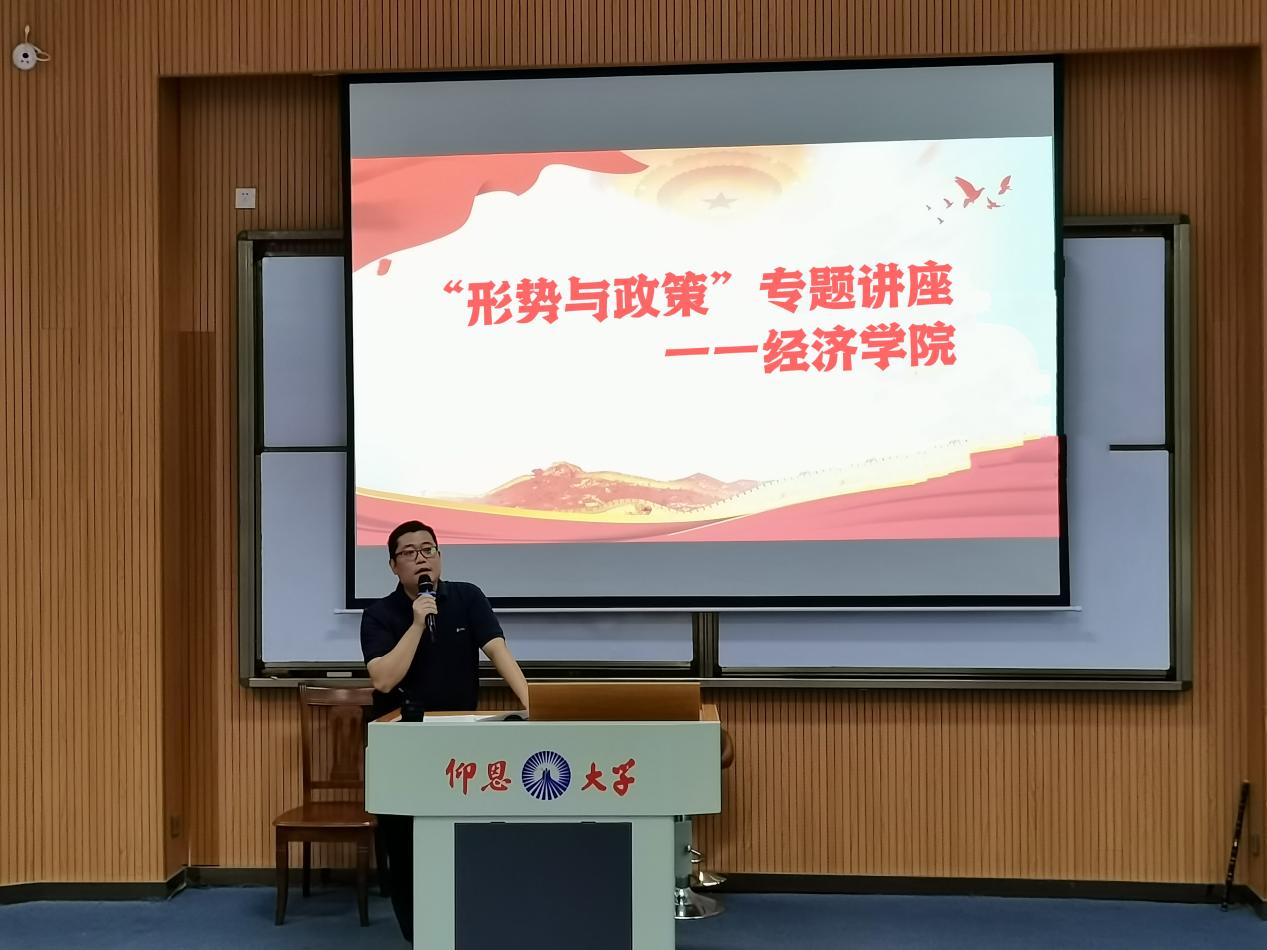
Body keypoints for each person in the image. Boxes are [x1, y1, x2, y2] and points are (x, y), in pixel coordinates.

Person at [361, 519, 529, 944]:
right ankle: (417, 934)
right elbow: (383, 679)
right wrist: (417, 623)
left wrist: (534, 703)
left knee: (462, 835)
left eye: (429, 549)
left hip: (458, 741)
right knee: (405, 844)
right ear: (393, 565)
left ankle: (464, 922)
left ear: (440, 556)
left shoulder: (468, 597)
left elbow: (499, 652)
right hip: (401, 744)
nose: (422, 559)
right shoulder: (379, 614)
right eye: (410, 552)